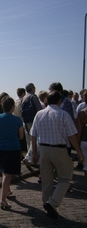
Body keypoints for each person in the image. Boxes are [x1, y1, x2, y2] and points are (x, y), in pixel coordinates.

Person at [31, 91, 84, 220]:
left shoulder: (39, 114)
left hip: (43, 148)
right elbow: (71, 136)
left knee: (47, 181)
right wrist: (78, 151)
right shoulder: (63, 115)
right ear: (59, 101)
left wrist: (34, 152)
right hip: (59, 149)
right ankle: (52, 203)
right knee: (65, 178)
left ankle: (47, 205)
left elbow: (33, 135)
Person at [0, 96, 24, 209]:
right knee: (8, 174)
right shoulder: (17, 120)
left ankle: (8, 190)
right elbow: (21, 137)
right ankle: (2, 199)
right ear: (12, 107)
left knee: (4, 171)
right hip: (12, 148)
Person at [21, 83, 42, 169]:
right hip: (34, 121)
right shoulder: (34, 97)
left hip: (26, 122)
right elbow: (39, 110)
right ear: (32, 88)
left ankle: (30, 159)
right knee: (36, 141)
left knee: (30, 141)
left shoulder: (24, 98)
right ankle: (32, 159)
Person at [76, 92, 87, 179]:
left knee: (86, 166)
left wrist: (77, 144)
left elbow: (79, 130)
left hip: (84, 141)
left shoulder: (82, 113)